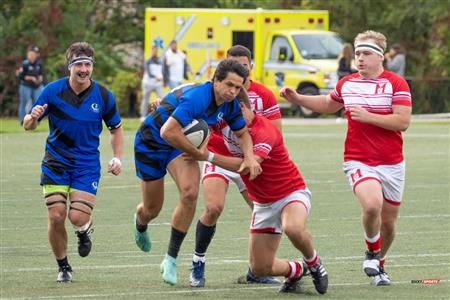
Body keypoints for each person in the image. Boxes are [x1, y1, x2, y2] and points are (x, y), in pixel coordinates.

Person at [280, 30, 412, 286]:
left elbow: (403, 121)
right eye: (358, 53)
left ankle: (379, 264)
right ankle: (372, 253)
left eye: (366, 54)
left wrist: (368, 116)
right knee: (372, 205)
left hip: (392, 163)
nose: (360, 58)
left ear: (380, 57)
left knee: (389, 224)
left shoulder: (396, 83)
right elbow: (329, 104)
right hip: (358, 159)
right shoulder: (347, 83)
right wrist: (298, 98)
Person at [132, 59, 262, 286]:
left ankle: (170, 259)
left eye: (238, 87)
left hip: (178, 145)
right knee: (152, 208)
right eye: (229, 85)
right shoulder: (198, 97)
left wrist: (249, 157)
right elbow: (167, 131)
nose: (233, 91)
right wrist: (196, 152)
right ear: (216, 80)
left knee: (190, 193)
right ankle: (140, 222)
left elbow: (242, 134)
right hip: (151, 142)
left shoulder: (230, 104)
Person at [193, 92, 328, 295]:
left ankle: (314, 262)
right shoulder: (225, 123)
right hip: (263, 203)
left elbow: (248, 167)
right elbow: (195, 104)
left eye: (236, 114)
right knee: (260, 268)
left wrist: (208, 156)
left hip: (290, 193)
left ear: (245, 109)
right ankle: (297, 269)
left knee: (293, 228)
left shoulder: (265, 130)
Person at [22, 42, 124, 283]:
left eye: (88, 64)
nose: (84, 69)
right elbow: (28, 124)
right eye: (78, 64)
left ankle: (83, 230)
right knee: (56, 215)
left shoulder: (104, 95)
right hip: (55, 162)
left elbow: (116, 130)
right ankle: (64, 266)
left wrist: (117, 157)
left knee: (76, 218)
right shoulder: (52, 91)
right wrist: (32, 118)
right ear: (69, 67)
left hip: (86, 165)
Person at [190, 45, 282, 288]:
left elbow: (275, 134)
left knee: (264, 212)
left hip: (251, 160)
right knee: (213, 208)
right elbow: (187, 99)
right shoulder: (216, 91)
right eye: (233, 64)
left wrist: (257, 157)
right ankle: (198, 262)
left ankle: (258, 269)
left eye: (243, 65)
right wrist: (163, 103)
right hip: (220, 157)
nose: (238, 69)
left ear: (250, 67)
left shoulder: (264, 95)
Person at [17, 46, 46, 123]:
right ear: (28, 54)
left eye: (35, 54)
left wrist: (40, 80)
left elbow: (41, 74)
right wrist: (31, 78)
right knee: (25, 102)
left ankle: (36, 120)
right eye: (32, 54)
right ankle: (22, 120)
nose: (33, 56)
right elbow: (20, 76)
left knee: (37, 102)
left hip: (36, 86)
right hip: (25, 86)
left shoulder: (39, 63)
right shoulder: (25, 64)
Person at [141, 45, 164, 121]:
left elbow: (162, 71)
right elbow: (149, 73)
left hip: (158, 84)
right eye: (153, 50)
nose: (155, 52)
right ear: (151, 51)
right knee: (145, 99)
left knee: (162, 99)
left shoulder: (160, 61)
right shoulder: (148, 61)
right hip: (148, 83)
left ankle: (162, 114)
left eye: (156, 50)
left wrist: (163, 80)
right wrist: (156, 77)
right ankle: (143, 116)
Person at [335, 43, 356, 118]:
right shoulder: (343, 59)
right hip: (342, 82)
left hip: (345, 82)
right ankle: (338, 116)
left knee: (345, 99)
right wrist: (351, 70)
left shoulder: (347, 59)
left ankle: (344, 115)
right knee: (341, 99)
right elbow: (341, 70)